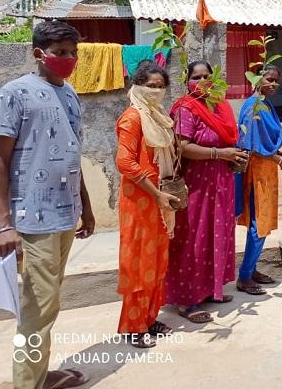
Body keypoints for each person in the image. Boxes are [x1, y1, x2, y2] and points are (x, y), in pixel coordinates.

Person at [0, 20, 93, 389]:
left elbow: (71, 153)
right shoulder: (14, 94)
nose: (68, 59)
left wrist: (86, 206)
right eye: (60, 52)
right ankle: (26, 383)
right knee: (37, 310)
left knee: (47, 307)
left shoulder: (70, 95)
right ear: (38, 54)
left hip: (66, 216)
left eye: (72, 53)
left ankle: (38, 374)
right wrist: (2, 224)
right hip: (32, 220)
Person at [165, 61, 247, 324]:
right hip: (196, 184)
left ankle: (212, 289)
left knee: (218, 234)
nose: (201, 82)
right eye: (196, 77)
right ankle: (187, 300)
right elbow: (182, 147)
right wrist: (218, 153)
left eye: (206, 76)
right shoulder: (186, 108)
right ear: (187, 81)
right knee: (193, 238)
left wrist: (232, 155)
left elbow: (229, 138)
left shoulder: (219, 106)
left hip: (221, 182)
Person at [115, 61, 180, 348]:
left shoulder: (158, 117)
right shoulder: (132, 117)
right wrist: (154, 193)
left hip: (160, 201)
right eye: (150, 86)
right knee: (140, 264)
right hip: (139, 201)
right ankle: (133, 326)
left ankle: (150, 318)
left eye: (160, 87)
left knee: (158, 262)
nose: (155, 91)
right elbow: (124, 162)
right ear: (138, 86)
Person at [235, 64, 282, 295]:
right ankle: (244, 276)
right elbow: (251, 144)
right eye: (269, 79)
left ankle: (252, 268)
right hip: (257, 172)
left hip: (267, 171)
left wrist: (279, 155)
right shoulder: (253, 106)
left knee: (263, 223)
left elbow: (267, 139)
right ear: (258, 80)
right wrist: (278, 159)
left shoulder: (266, 104)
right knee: (259, 224)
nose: (273, 84)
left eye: (276, 80)